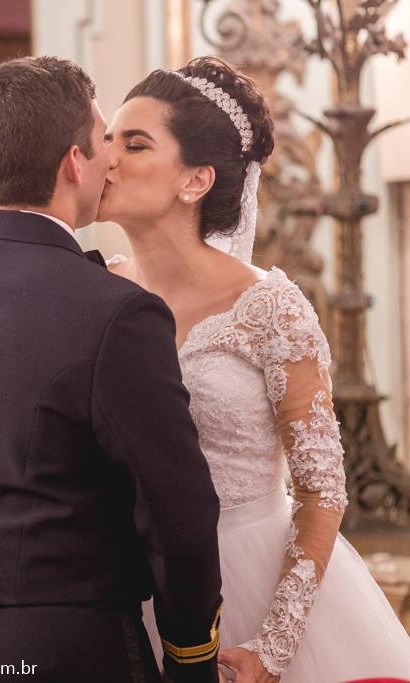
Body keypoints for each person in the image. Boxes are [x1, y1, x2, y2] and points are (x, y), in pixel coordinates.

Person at [0, 55, 225, 683]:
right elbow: (177, 510)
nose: (111, 158)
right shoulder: (117, 312)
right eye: (100, 141)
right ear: (72, 162)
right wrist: (191, 656)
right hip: (69, 641)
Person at [100, 57, 410, 683]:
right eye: (108, 139)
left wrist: (275, 644)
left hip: (257, 589)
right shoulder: (96, 293)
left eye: (134, 144)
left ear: (196, 181)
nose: (108, 157)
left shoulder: (270, 306)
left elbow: (322, 488)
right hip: (129, 586)